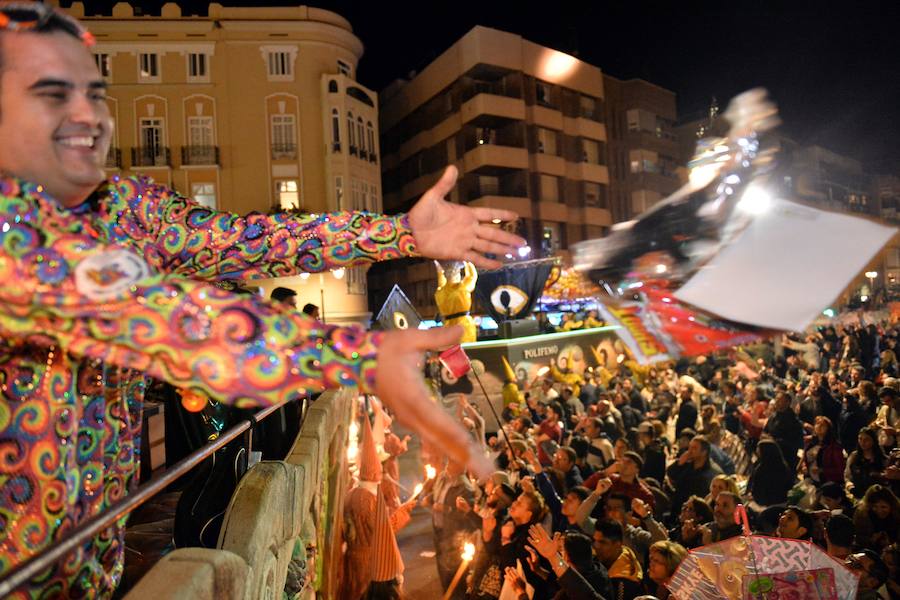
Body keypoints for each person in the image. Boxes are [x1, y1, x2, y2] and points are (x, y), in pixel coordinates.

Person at [0, 4, 525, 594]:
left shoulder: (126, 209)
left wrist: (399, 233)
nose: (85, 115)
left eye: (93, 93)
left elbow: (249, 239)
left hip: (96, 564)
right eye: (53, 94)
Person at [845, 427, 887, 499]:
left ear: (873, 440)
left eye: (866, 439)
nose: (862, 442)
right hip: (858, 496)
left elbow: (887, 478)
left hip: (877, 497)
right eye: (860, 439)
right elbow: (847, 476)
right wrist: (850, 486)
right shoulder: (854, 456)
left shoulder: (882, 459)